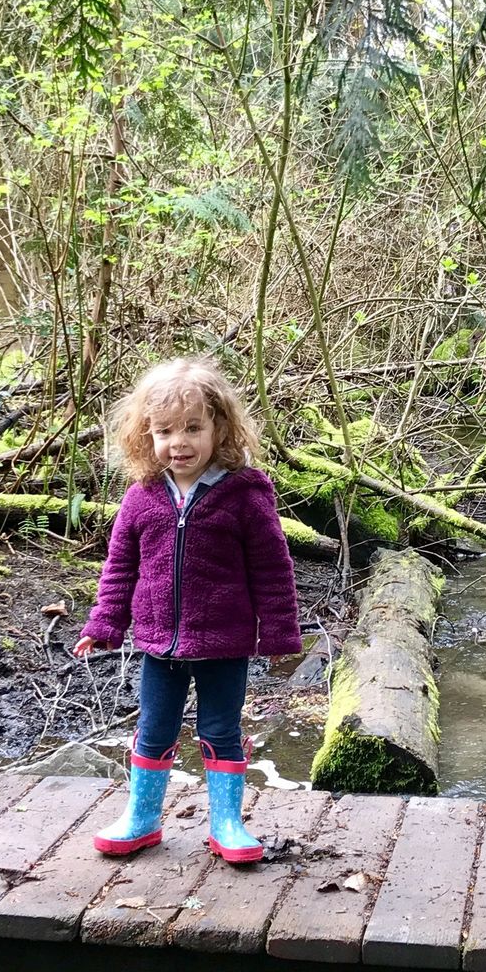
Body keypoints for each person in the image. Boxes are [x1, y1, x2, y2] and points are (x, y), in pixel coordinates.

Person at [72, 356, 302, 864]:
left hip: (224, 642)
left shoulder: (246, 494)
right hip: (158, 642)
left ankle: (226, 823)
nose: (179, 442)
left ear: (220, 428)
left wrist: (281, 633)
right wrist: (105, 623)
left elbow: (272, 569)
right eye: (165, 431)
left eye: (193, 428)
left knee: (220, 730)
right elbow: (119, 568)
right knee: (154, 728)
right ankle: (142, 818)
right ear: (146, 436)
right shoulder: (142, 497)